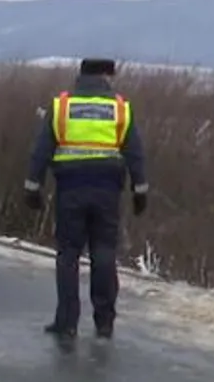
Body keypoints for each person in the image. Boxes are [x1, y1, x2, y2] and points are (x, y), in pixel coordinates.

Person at [23, 58, 148, 341]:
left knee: (68, 254)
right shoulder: (119, 108)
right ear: (106, 76)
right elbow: (136, 153)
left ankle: (66, 322)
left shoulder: (61, 106)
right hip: (107, 191)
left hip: (71, 190)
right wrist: (140, 191)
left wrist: (32, 187)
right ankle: (104, 322)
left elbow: (40, 150)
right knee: (104, 253)